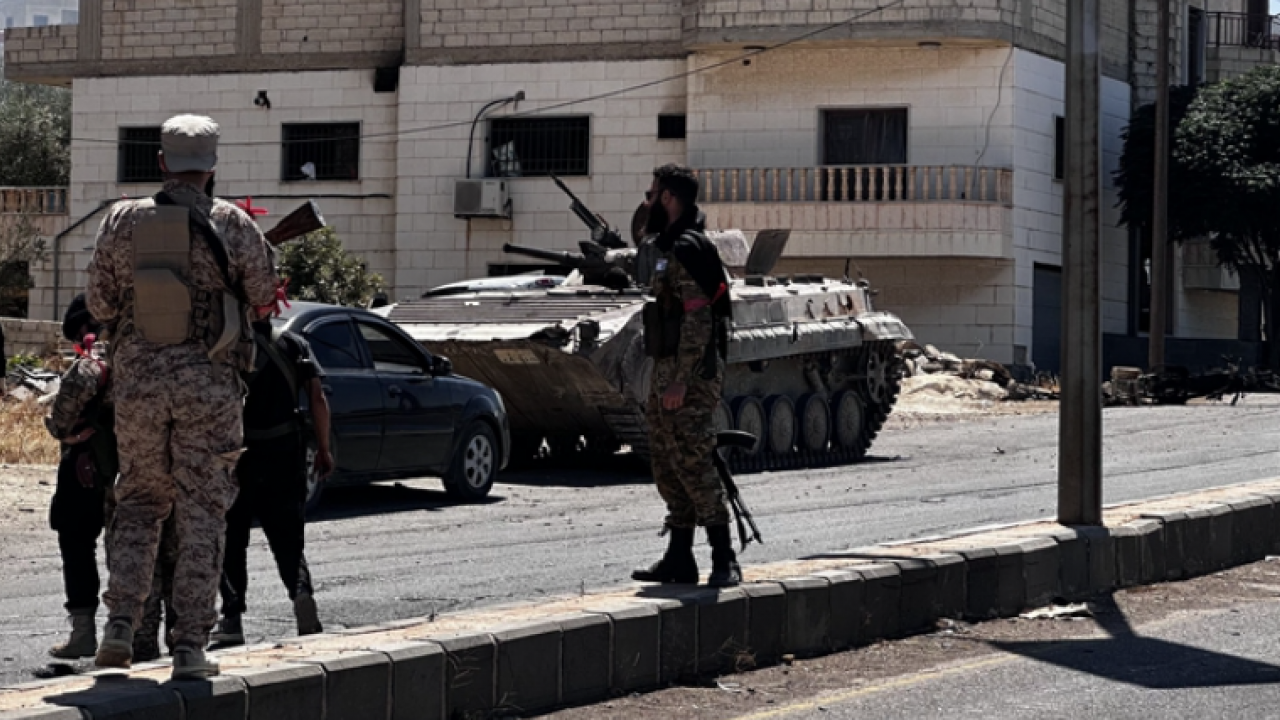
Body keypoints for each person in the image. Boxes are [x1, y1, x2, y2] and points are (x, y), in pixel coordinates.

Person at [85, 114, 280, 679]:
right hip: (208, 384)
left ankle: (120, 623)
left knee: (139, 501)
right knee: (202, 510)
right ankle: (190, 646)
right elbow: (265, 294)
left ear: (163, 163)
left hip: (139, 383)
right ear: (212, 166)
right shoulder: (232, 222)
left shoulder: (121, 219)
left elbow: (98, 302)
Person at [631, 163, 742, 588]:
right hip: (668, 373)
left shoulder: (689, 249)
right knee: (667, 463)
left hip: (690, 377)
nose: (647, 200)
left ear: (668, 198)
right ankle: (680, 557)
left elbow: (699, 323)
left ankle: (723, 557)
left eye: (651, 193)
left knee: (694, 463)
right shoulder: (670, 245)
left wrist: (680, 380)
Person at [211, 299, 334, 646]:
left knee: (232, 537)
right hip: (285, 452)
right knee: (288, 536)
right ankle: (300, 594)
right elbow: (318, 399)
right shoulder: (295, 344)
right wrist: (323, 449)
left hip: (240, 455)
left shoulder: (230, 346)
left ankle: (232, 618)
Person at [43, 295, 115, 660]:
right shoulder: (141, 361)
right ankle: (131, 635)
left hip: (84, 470)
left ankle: (83, 633)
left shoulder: (88, 366)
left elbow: (59, 423)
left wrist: (61, 432)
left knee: (76, 544)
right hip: (132, 471)